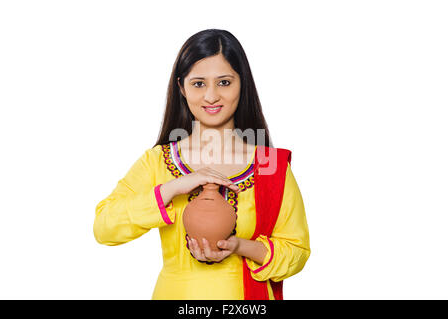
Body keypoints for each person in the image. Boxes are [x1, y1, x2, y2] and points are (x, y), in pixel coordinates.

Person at [93, 29, 310, 300]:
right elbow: (104, 227)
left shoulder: (269, 165)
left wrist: (241, 247)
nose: (211, 96)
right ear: (181, 87)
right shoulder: (157, 161)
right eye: (198, 84)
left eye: (224, 82)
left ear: (242, 85)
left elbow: (297, 252)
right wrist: (173, 187)